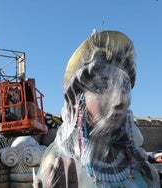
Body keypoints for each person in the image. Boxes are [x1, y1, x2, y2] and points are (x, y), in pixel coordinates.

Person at [34, 31, 160, 187]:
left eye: (124, 88)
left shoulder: (138, 163)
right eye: (101, 88)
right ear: (76, 101)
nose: (119, 100)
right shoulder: (61, 164)